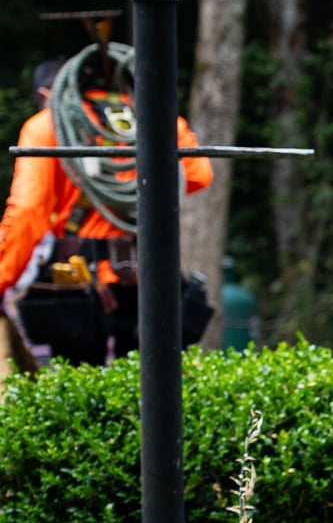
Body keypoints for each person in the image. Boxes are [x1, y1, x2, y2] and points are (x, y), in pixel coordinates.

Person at [3, 52, 211, 364]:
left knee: (83, 396)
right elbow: (197, 176)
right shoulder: (155, 116)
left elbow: (28, 211)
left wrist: (3, 278)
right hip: (151, 276)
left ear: (46, 94)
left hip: (79, 285)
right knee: (154, 394)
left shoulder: (45, 126)